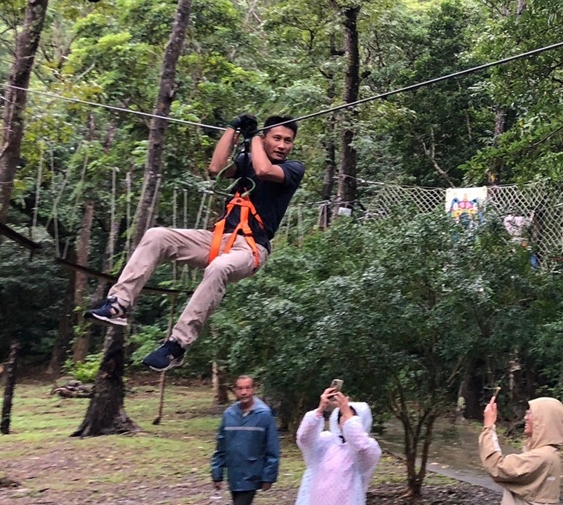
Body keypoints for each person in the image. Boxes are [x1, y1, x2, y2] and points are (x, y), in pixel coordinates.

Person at [86, 114, 305, 370]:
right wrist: (231, 128)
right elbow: (215, 167)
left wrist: (254, 136)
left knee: (220, 267)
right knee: (157, 235)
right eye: (276, 138)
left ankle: (177, 344)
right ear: (266, 139)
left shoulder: (292, 169)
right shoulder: (246, 160)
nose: (282, 145)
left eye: (287, 141)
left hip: (251, 248)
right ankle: (119, 303)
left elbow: (263, 170)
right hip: (218, 238)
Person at [295, 384, 382, 505]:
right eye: (342, 415)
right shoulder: (326, 441)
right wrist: (320, 410)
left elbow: (362, 446)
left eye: (352, 416)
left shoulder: (369, 447)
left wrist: (348, 416)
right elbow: (304, 438)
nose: (345, 419)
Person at [478, 394, 563, 505]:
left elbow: (497, 467)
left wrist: (489, 426)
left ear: (543, 420)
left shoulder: (542, 456)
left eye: (530, 413)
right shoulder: (550, 453)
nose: (525, 418)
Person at [211, 374, 280, 505]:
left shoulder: (264, 414)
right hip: (234, 474)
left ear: (253, 389)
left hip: (252, 474)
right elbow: (221, 445)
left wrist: (269, 476)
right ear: (235, 390)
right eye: (240, 388)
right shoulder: (229, 414)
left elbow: (272, 446)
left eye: (247, 388)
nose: (244, 392)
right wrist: (217, 473)